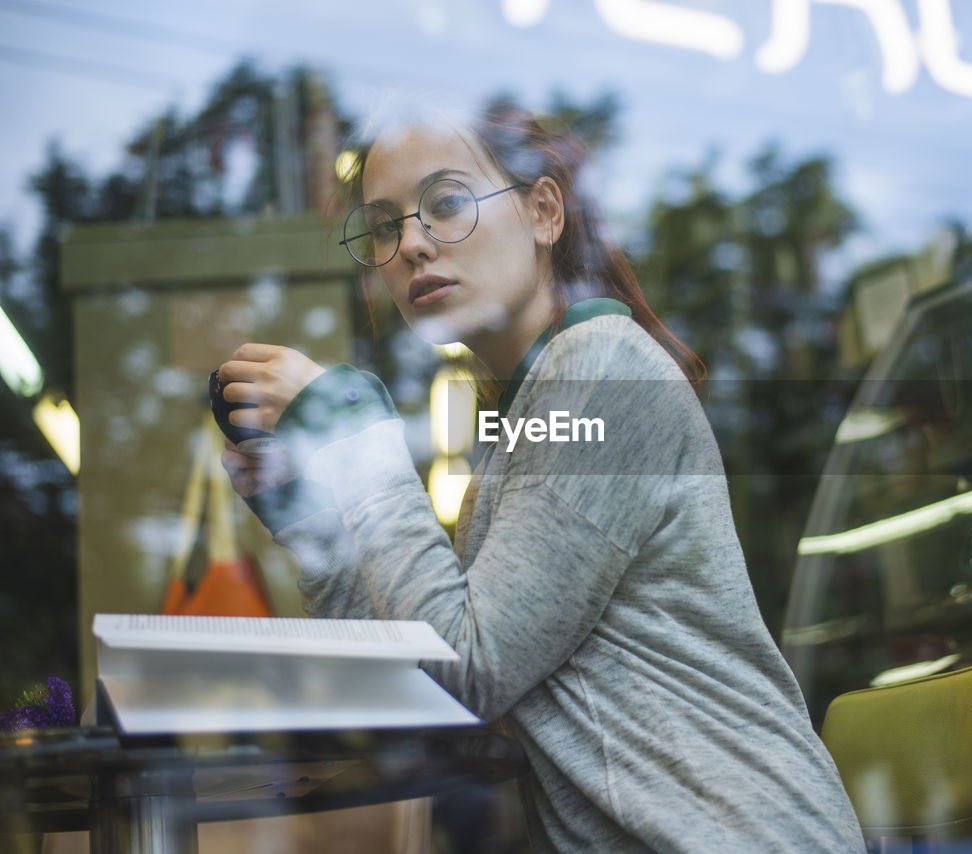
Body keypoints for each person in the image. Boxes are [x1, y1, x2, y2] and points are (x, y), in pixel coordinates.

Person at [216, 97, 864, 853]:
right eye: (386, 227)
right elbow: (422, 686)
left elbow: (471, 668)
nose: (414, 246)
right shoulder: (521, 426)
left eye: (447, 202)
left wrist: (352, 430)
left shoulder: (603, 373)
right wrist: (317, 522)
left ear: (544, 213)